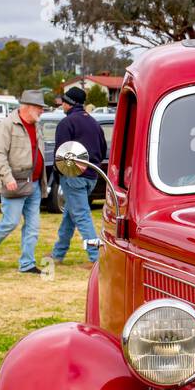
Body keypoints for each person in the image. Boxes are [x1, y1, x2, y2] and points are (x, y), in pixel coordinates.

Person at [0, 90, 47, 274]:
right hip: (15, 183)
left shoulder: (37, 126)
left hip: (35, 183)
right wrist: (8, 177)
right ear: (27, 107)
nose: (42, 112)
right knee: (10, 222)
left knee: (33, 226)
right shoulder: (6, 125)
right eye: (39, 108)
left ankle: (27, 264)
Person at [49, 86, 108, 265]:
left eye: (64, 102)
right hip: (92, 175)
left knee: (81, 215)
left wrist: (58, 173)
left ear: (69, 104)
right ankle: (58, 254)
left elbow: (61, 153)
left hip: (73, 176)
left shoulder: (66, 123)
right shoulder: (94, 123)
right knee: (70, 214)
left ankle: (96, 258)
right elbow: (103, 149)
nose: (62, 105)